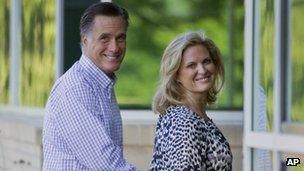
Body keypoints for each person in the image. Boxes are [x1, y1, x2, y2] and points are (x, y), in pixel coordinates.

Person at [42, 2, 138, 170]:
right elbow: (108, 165)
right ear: (84, 40)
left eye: (120, 38)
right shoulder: (75, 89)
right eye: (104, 38)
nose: (114, 47)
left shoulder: (101, 85)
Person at [149, 31, 233, 170]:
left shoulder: (198, 117)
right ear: (176, 74)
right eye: (191, 65)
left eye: (206, 61)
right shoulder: (183, 121)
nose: (202, 70)